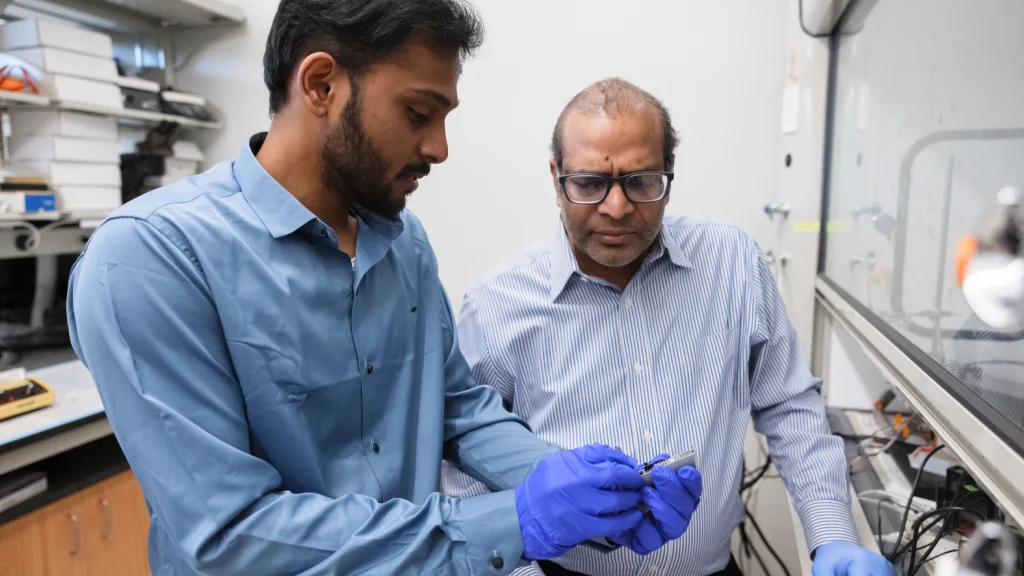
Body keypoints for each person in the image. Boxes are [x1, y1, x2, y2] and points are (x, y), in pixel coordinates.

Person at [65, 3, 701, 575]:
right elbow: (231, 536)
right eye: (418, 113)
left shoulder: (403, 242)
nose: (440, 148)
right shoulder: (152, 259)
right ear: (320, 84)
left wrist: (586, 490)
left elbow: (458, 407)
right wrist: (519, 520)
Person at [441, 78, 896, 576]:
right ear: (556, 179)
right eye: (590, 183)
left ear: (669, 173)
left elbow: (788, 406)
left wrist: (831, 536)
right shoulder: (497, 304)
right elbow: (465, 474)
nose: (616, 207)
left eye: (640, 181)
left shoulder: (732, 262)